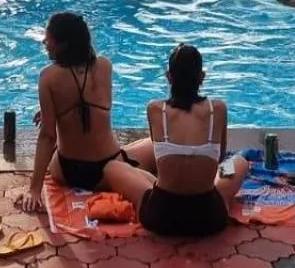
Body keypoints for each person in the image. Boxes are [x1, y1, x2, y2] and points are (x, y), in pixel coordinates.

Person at [101, 44, 249, 237]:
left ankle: (161, 184)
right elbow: (220, 158)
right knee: (238, 162)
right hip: (209, 217)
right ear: (201, 77)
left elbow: (158, 156)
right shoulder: (218, 109)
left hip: (160, 216)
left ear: (169, 77)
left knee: (111, 167)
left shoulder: (155, 110)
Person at [18, 12, 133, 212]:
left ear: (63, 44)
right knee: (146, 146)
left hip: (66, 171)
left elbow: (47, 136)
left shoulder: (48, 77)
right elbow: (88, 101)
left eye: (49, 38)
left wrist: (34, 190)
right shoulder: (105, 66)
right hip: (108, 171)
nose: (44, 42)